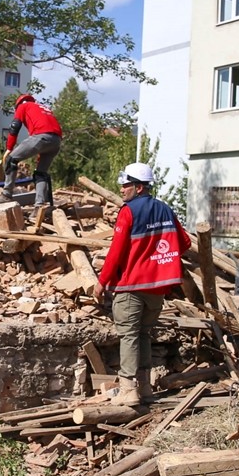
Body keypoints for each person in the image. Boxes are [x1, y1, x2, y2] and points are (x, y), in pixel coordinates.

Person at [92, 162, 191, 406]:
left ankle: (128, 389)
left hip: (131, 286)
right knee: (144, 334)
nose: (121, 189)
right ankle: (145, 387)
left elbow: (116, 251)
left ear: (138, 187)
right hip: (157, 288)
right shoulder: (165, 209)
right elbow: (185, 243)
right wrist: (157, 258)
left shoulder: (129, 211)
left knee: (129, 337)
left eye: (125, 185)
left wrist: (102, 281)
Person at [0, 92, 62, 207]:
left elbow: (15, 126)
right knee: (40, 173)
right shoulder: (44, 108)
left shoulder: (23, 106)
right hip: (56, 141)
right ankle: (39, 205)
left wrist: (9, 148)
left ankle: (6, 194)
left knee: (11, 160)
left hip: (41, 136)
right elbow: (49, 130)